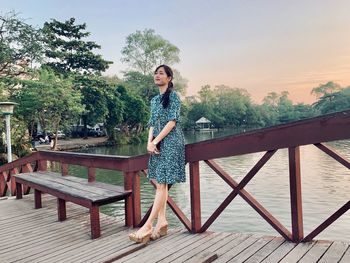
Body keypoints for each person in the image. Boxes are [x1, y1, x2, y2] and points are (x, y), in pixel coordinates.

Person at [129, 65, 186, 244]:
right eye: (156, 73)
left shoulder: (174, 96)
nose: (157, 75)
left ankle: (147, 225)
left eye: (161, 73)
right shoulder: (154, 100)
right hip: (156, 142)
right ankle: (162, 222)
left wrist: (155, 141)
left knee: (161, 183)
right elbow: (152, 122)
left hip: (171, 141)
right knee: (160, 181)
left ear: (169, 78)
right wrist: (149, 141)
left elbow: (172, 122)